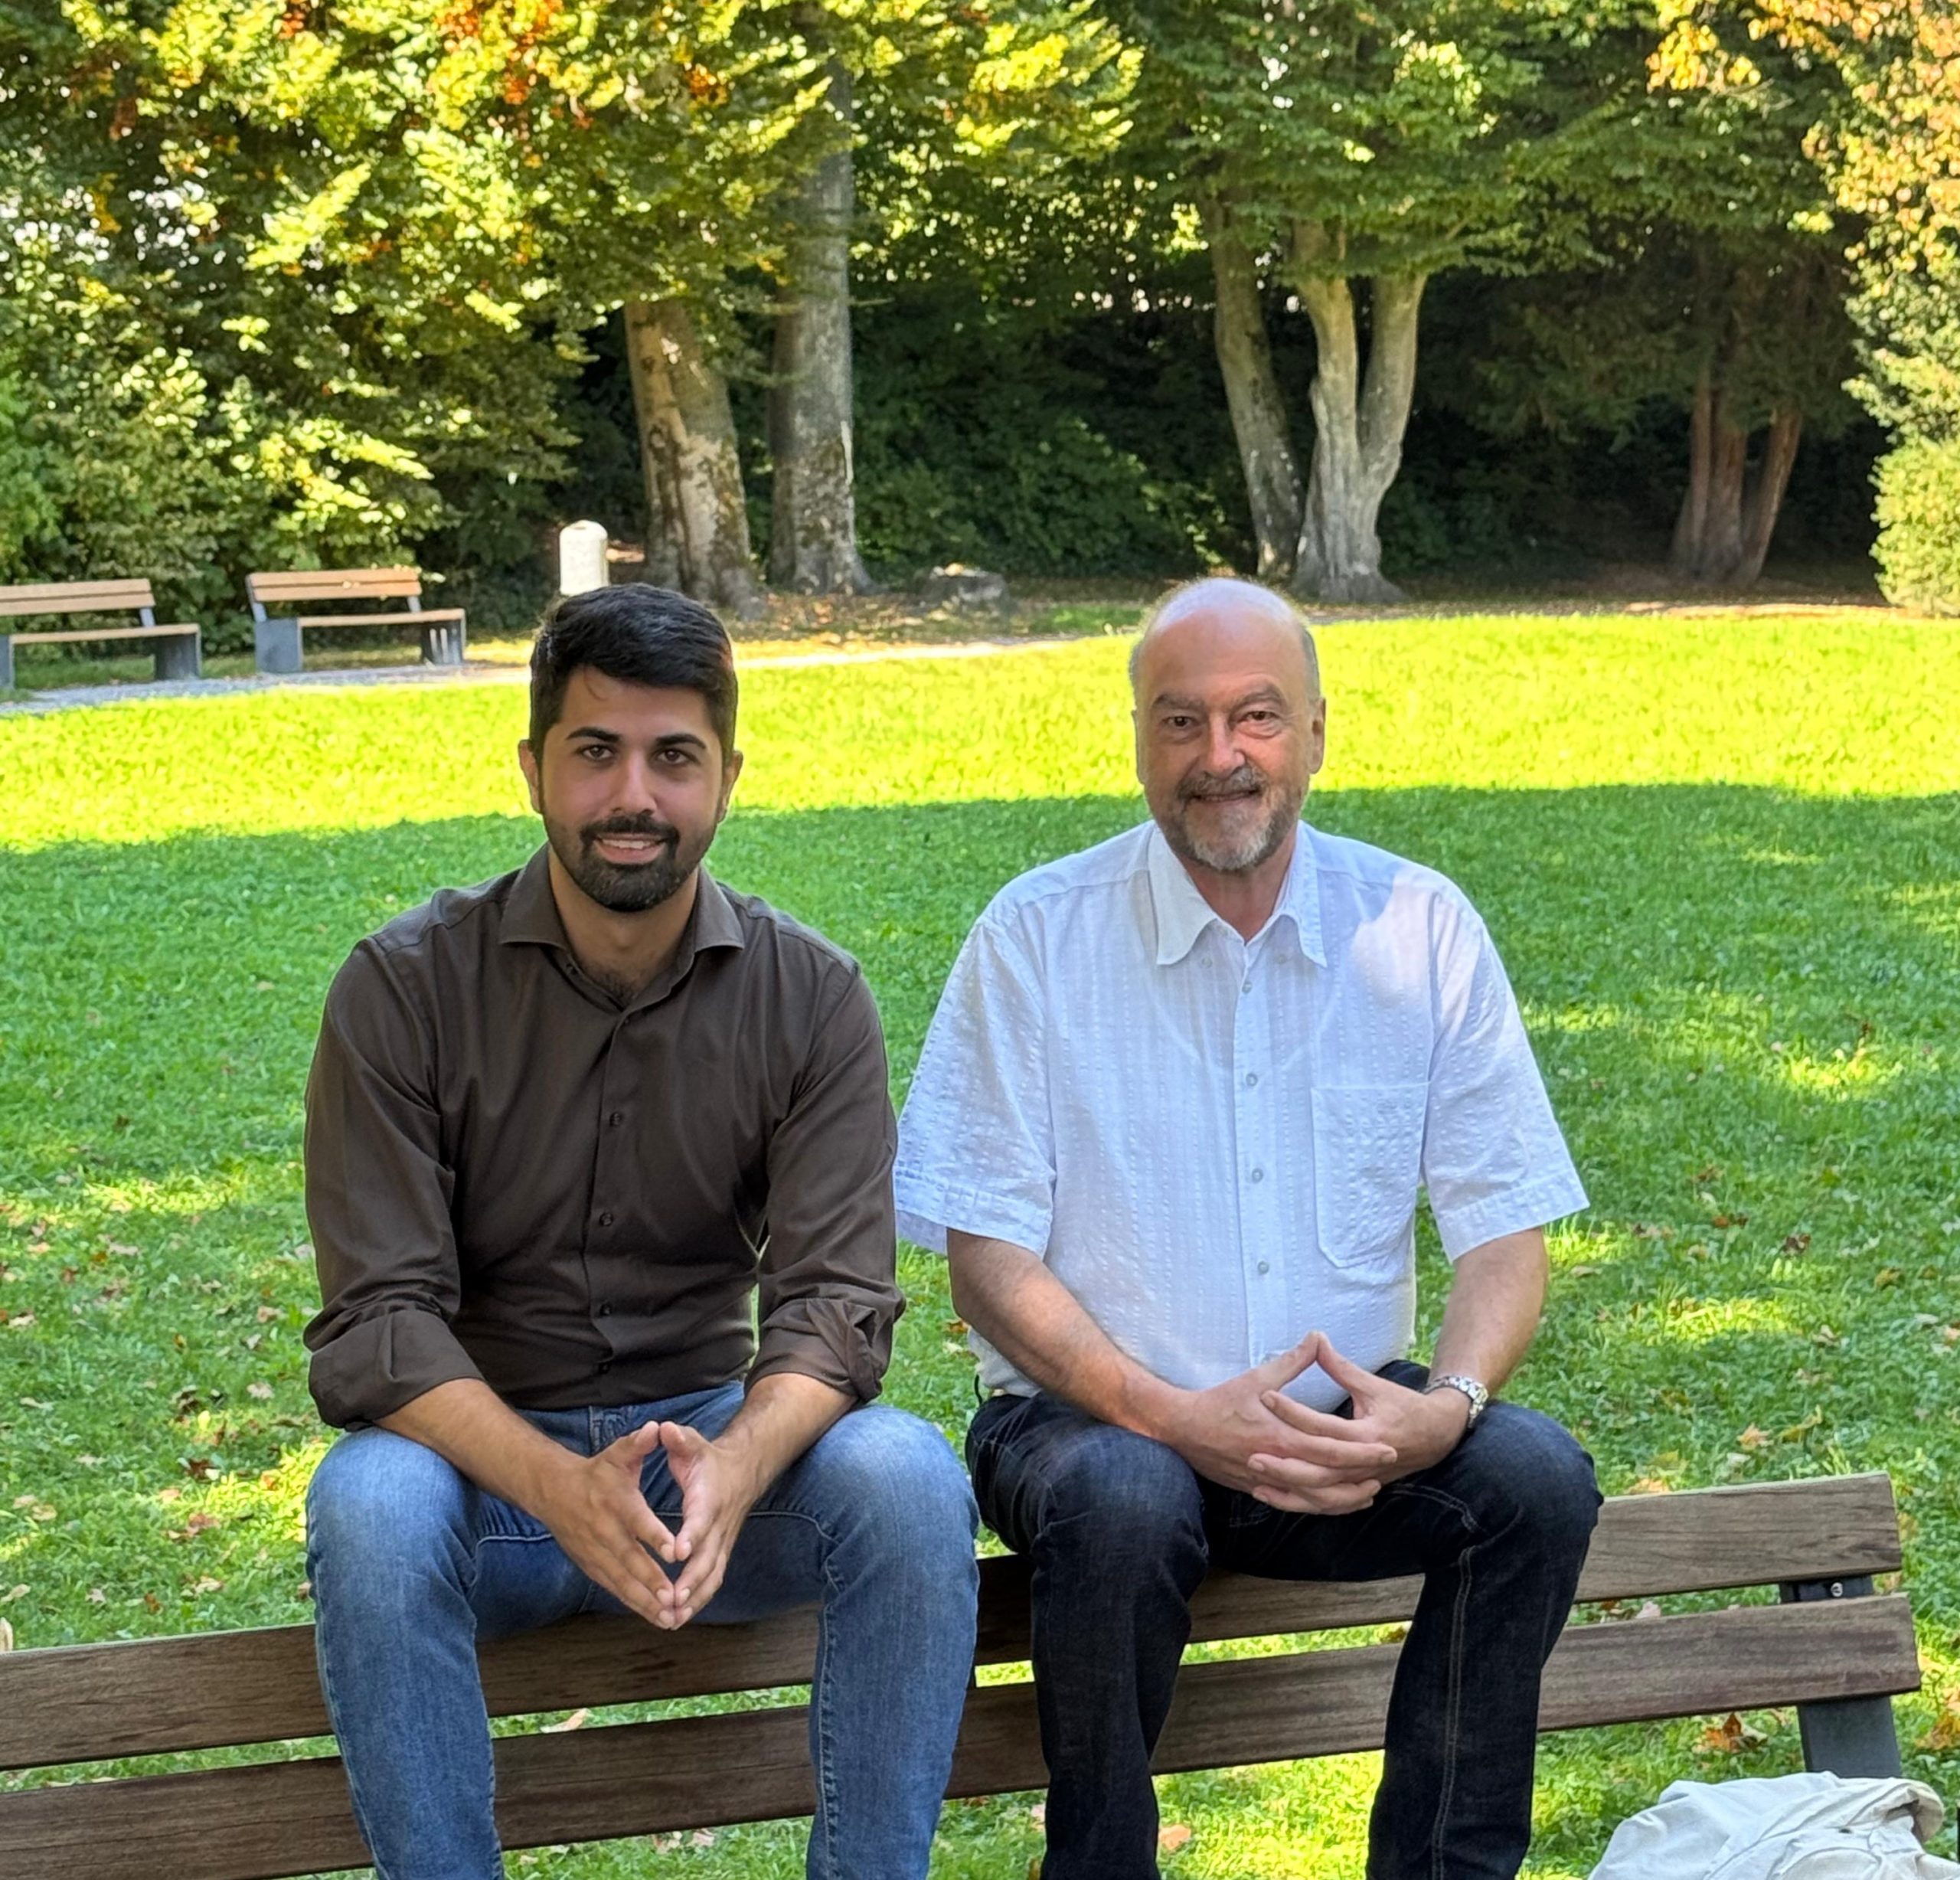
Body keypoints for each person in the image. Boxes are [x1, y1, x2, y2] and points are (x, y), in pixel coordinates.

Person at [894, 577, 1600, 1880]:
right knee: (1123, 1494)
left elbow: (1504, 1232)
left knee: (1535, 1482)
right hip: (1084, 1428)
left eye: (1256, 718)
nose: (1220, 758)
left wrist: (1444, 1405)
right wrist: (1164, 1412)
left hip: (1342, 1435)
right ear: (1140, 741)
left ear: (1316, 733)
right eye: (1181, 722)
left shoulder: (1421, 927)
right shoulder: (1035, 938)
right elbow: (983, 1255)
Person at [302, 584, 978, 1880]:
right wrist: (554, 1487)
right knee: (370, 1505)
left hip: (708, 1478)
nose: (636, 797)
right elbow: (377, 1328)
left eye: (675, 757)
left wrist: (734, 1466)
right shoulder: (402, 986)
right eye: (595, 751)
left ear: (727, 776)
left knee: (903, 1478)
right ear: (533, 771)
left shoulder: (812, 996)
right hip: (484, 1486)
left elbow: (839, 1304)